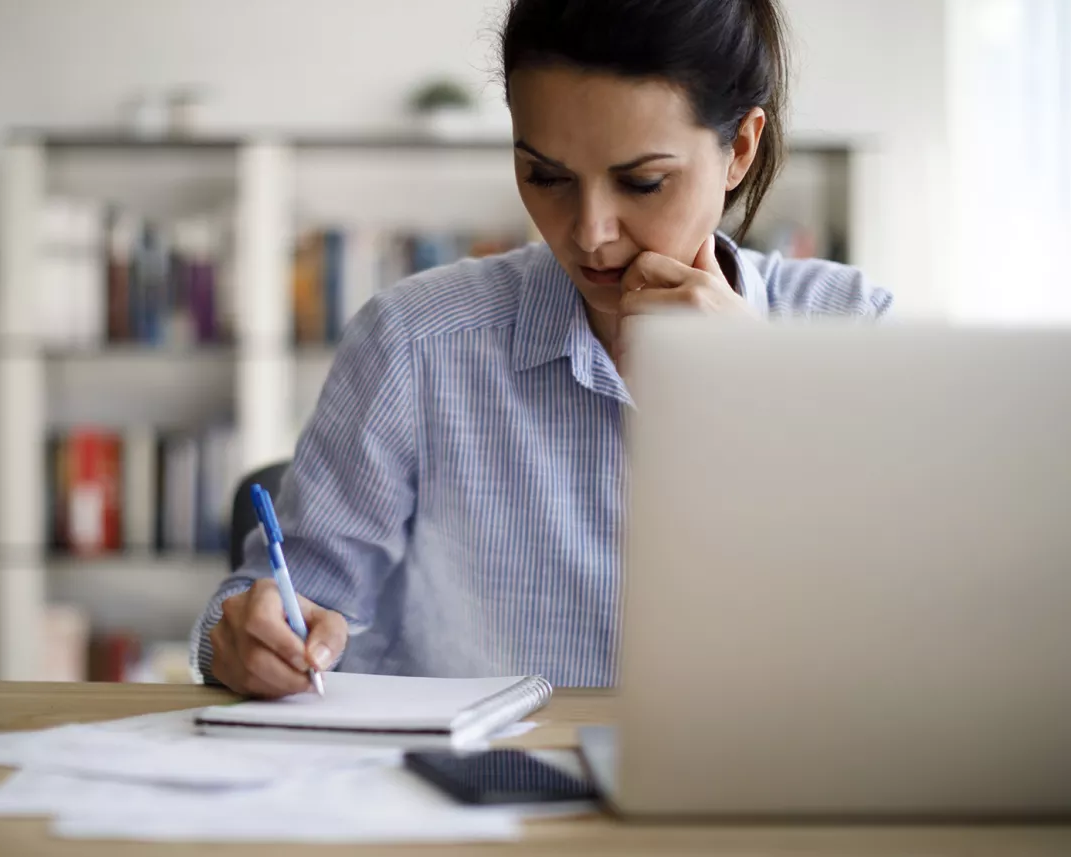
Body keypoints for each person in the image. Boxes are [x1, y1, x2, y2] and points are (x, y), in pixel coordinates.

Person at [191, 0, 893, 698]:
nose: (589, 233)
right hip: (464, 793)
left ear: (740, 148)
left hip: (758, 794)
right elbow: (284, 602)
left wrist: (765, 395)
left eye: (642, 181)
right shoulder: (414, 343)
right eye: (546, 176)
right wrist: (248, 637)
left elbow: (900, 636)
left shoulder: (853, 330)